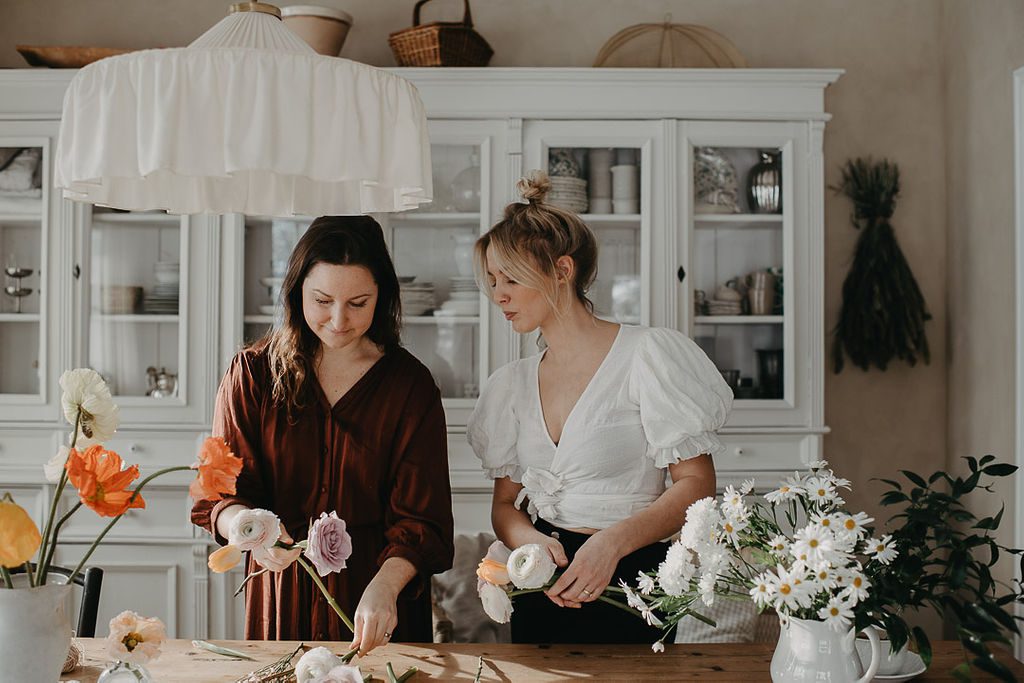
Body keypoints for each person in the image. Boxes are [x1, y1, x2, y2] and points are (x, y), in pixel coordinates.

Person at [467, 171, 732, 644]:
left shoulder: (646, 355)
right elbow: (505, 506)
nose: (498, 294)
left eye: (511, 278)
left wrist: (610, 544)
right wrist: (531, 545)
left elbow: (696, 484)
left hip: (633, 575)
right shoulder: (510, 385)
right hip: (542, 585)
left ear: (563, 271)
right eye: (492, 280)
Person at [192, 216, 454, 653]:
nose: (338, 320)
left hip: (377, 597)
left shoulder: (410, 386)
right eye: (322, 300)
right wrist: (247, 528)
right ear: (297, 293)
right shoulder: (253, 374)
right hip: (281, 593)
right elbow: (217, 494)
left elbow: (422, 521)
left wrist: (386, 587)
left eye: (358, 303)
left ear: (381, 298)